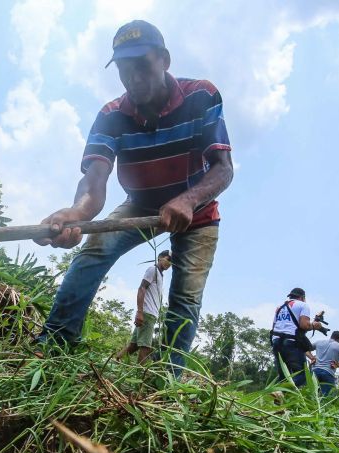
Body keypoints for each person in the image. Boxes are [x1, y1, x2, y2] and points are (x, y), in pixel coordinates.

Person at [32, 20, 233, 378]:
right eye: (124, 70)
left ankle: (165, 377)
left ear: (165, 60)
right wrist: (77, 214)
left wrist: (188, 200)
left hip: (198, 211)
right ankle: (56, 344)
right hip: (141, 203)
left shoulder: (202, 94)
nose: (134, 78)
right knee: (95, 250)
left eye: (142, 66)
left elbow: (223, 169)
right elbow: (95, 180)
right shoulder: (111, 116)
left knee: (185, 296)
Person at [115, 250, 172, 364]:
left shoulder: (160, 275)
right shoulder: (153, 270)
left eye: (172, 261)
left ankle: (114, 362)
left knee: (134, 345)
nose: (169, 263)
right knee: (145, 347)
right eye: (168, 259)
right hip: (147, 314)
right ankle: (140, 375)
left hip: (151, 314)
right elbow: (142, 288)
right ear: (160, 257)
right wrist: (139, 312)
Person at [270, 288, 326, 387]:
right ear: (302, 297)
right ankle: (282, 391)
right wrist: (315, 326)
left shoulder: (279, 307)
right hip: (291, 343)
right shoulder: (303, 305)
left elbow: (274, 326)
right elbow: (304, 325)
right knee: (303, 374)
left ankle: (279, 397)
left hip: (276, 342)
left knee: (283, 376)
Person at [311, 330, 339, 396]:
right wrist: (338, 365)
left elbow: (305, 349)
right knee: (326, 398)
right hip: (328, 373)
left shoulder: (319, 342)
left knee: (311, 394)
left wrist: (312, 357)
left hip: (315, 371)